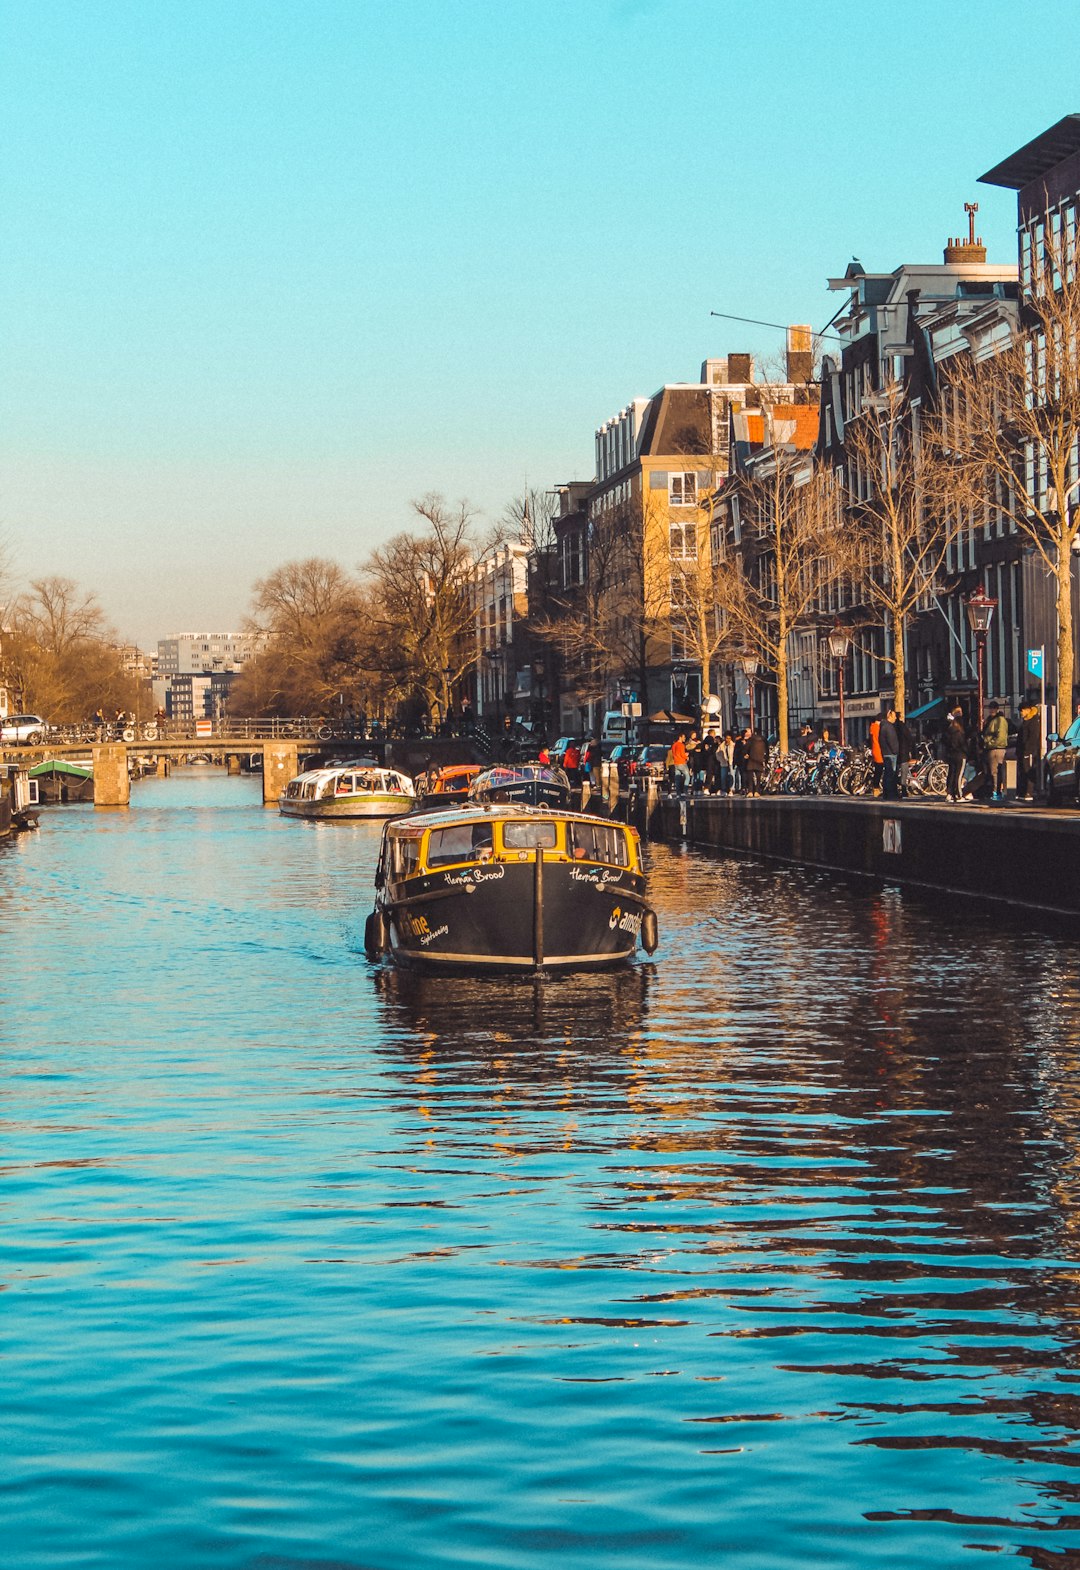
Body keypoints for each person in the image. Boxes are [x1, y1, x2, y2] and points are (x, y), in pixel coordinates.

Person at [980, 703, 1009, 802]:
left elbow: (1000, 736)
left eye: (993, 708)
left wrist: (989, 743)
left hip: (995, 748)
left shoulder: (999, 720)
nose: (991, 710)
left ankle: (996, 792)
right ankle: (994, 791)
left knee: (995, 772)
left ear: (997, 709)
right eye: (990, 708)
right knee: (993, 772)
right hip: (992, 748)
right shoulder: (991, 720)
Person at [1015, 703, 1041, 801]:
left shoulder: (1033, 721)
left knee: (1028, 771)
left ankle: (1029, 791)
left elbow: (1033, 737)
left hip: (1028, 751)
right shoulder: (1025, 721)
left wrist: (1028, 751)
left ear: (1027, 710)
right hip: (1022, 751)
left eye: (1022, 711)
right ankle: (1022, 792)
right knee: (1022, 771)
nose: (1021, 713)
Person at [943, 707, 967, 803]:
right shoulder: (959, 732)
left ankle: (950, 793)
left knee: (952, 773)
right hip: (960, 755)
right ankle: (958, 795)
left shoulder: (949, 731)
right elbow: (962, 744)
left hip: (951, 754)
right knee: (958, 775)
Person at [879, 708, 901, 800]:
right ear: (890, 716)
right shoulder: (889, 727)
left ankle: (887, 794)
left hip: (886, 752)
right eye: (895, 716)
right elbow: (892, 741)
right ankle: (891, 794)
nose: (895, 718)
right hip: (891, 754)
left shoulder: (883, 726)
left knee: (888, 774)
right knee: (891, 774)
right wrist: (896, 751)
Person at [746, 727, 768, 796]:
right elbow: (767, 750)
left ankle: (750, 791)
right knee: (758, 777)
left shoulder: (751, 739)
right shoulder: (764, 739)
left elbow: (746, 748)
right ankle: (757, 791)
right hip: (760, 760)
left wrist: (746, 754)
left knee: (750, 776)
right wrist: (766, 759)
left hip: (751, 759)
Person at [868, 715, 884, 796]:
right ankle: (876, 788)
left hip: (875, 750)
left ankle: (876, 787)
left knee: (878, 770)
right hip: (879, 751)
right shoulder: (877, 728)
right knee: (879, 770)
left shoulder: (872, 727)